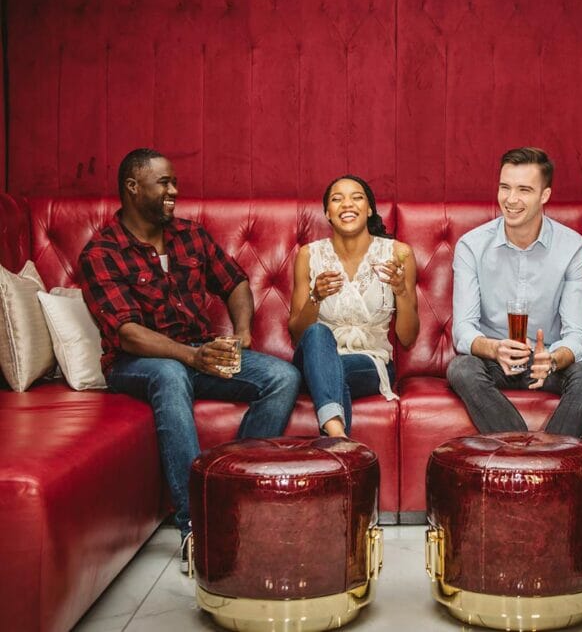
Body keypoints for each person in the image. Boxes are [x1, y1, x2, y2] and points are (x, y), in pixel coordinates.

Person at [79, 148, 301, 572]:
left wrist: (240, 334)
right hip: (138, 364)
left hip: (199, 352)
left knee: (282, 376)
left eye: (174, 182)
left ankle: (228, 493)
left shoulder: (190, 235)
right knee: (169, 373)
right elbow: (128, 334)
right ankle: (195, 529)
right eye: (163, 183)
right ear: (132, 187)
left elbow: (234, 283)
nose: (174, 191)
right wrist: (192, 356)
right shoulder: (101, 253)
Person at [447, 147, 582, 437]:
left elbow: (577, 336)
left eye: (524, 190)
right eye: (505, 187)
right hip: (494, 359)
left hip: (547, 361)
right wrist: (495, 349)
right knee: (461, 369)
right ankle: (526, 453)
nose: (511, 199)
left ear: (544, 195)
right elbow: (463, 332)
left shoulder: (573, 247)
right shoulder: (471, 246)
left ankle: (545, 462)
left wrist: (554, 359)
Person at [288, 175, 419, 436]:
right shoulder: (308, 255)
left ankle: (335, 437)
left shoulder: (397, 253)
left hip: (371, 362)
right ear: (328, 213)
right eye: (337, 199)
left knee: (332, 374)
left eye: (356, 197)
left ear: (369, 209)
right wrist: (316, 296)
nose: (347, 204)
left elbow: (408, 337)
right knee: (317, 333)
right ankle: (338, 442)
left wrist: (401, 290)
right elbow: (296, 333)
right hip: (315, 355)